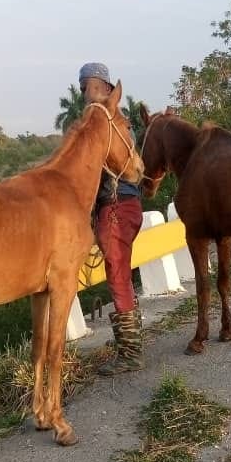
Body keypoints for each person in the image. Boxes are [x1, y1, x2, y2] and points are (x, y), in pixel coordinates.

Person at [78, 62, 144, 375]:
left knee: (117, 275)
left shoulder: (105, 122)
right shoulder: (114, 120)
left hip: (117, 205)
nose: (84, 93)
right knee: (121, 275)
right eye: (82, 87)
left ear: (104, 88)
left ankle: (130, 354)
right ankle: (133, 344)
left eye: (89, 86)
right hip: (123, 205)